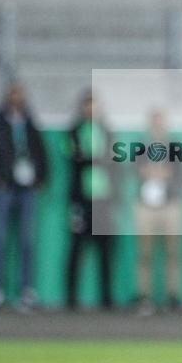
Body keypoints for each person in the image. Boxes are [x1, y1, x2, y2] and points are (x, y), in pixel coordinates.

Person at [0, 82, 49, 310]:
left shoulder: (30, 126)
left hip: (27, 189)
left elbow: (42, 154)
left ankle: (26, 289)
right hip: (5, 189)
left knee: (27, 240)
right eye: (14, 95)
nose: (17, 99)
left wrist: (40, 180)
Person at [65, 90, 120, 310]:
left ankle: (107, 298)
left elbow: (113, 161)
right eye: (88, 105)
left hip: (103, 200)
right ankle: (71, 299)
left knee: (106, 251)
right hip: (82, 200)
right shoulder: (73, 132)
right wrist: (94, 158)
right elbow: (73, 157)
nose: (91, 110)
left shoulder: (106, 132)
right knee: (77, 249)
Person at [135, 109, 182, 314]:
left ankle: (173, 296)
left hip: (170, 204)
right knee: (144, 252)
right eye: (154, 121)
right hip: (146, 205)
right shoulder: (141, 147)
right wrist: (146, 172)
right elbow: (134, 170)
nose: (157, 125)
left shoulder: (175, 147)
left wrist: (167, 175)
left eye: (160, 121)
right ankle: (144, 296)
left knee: (173, 252)